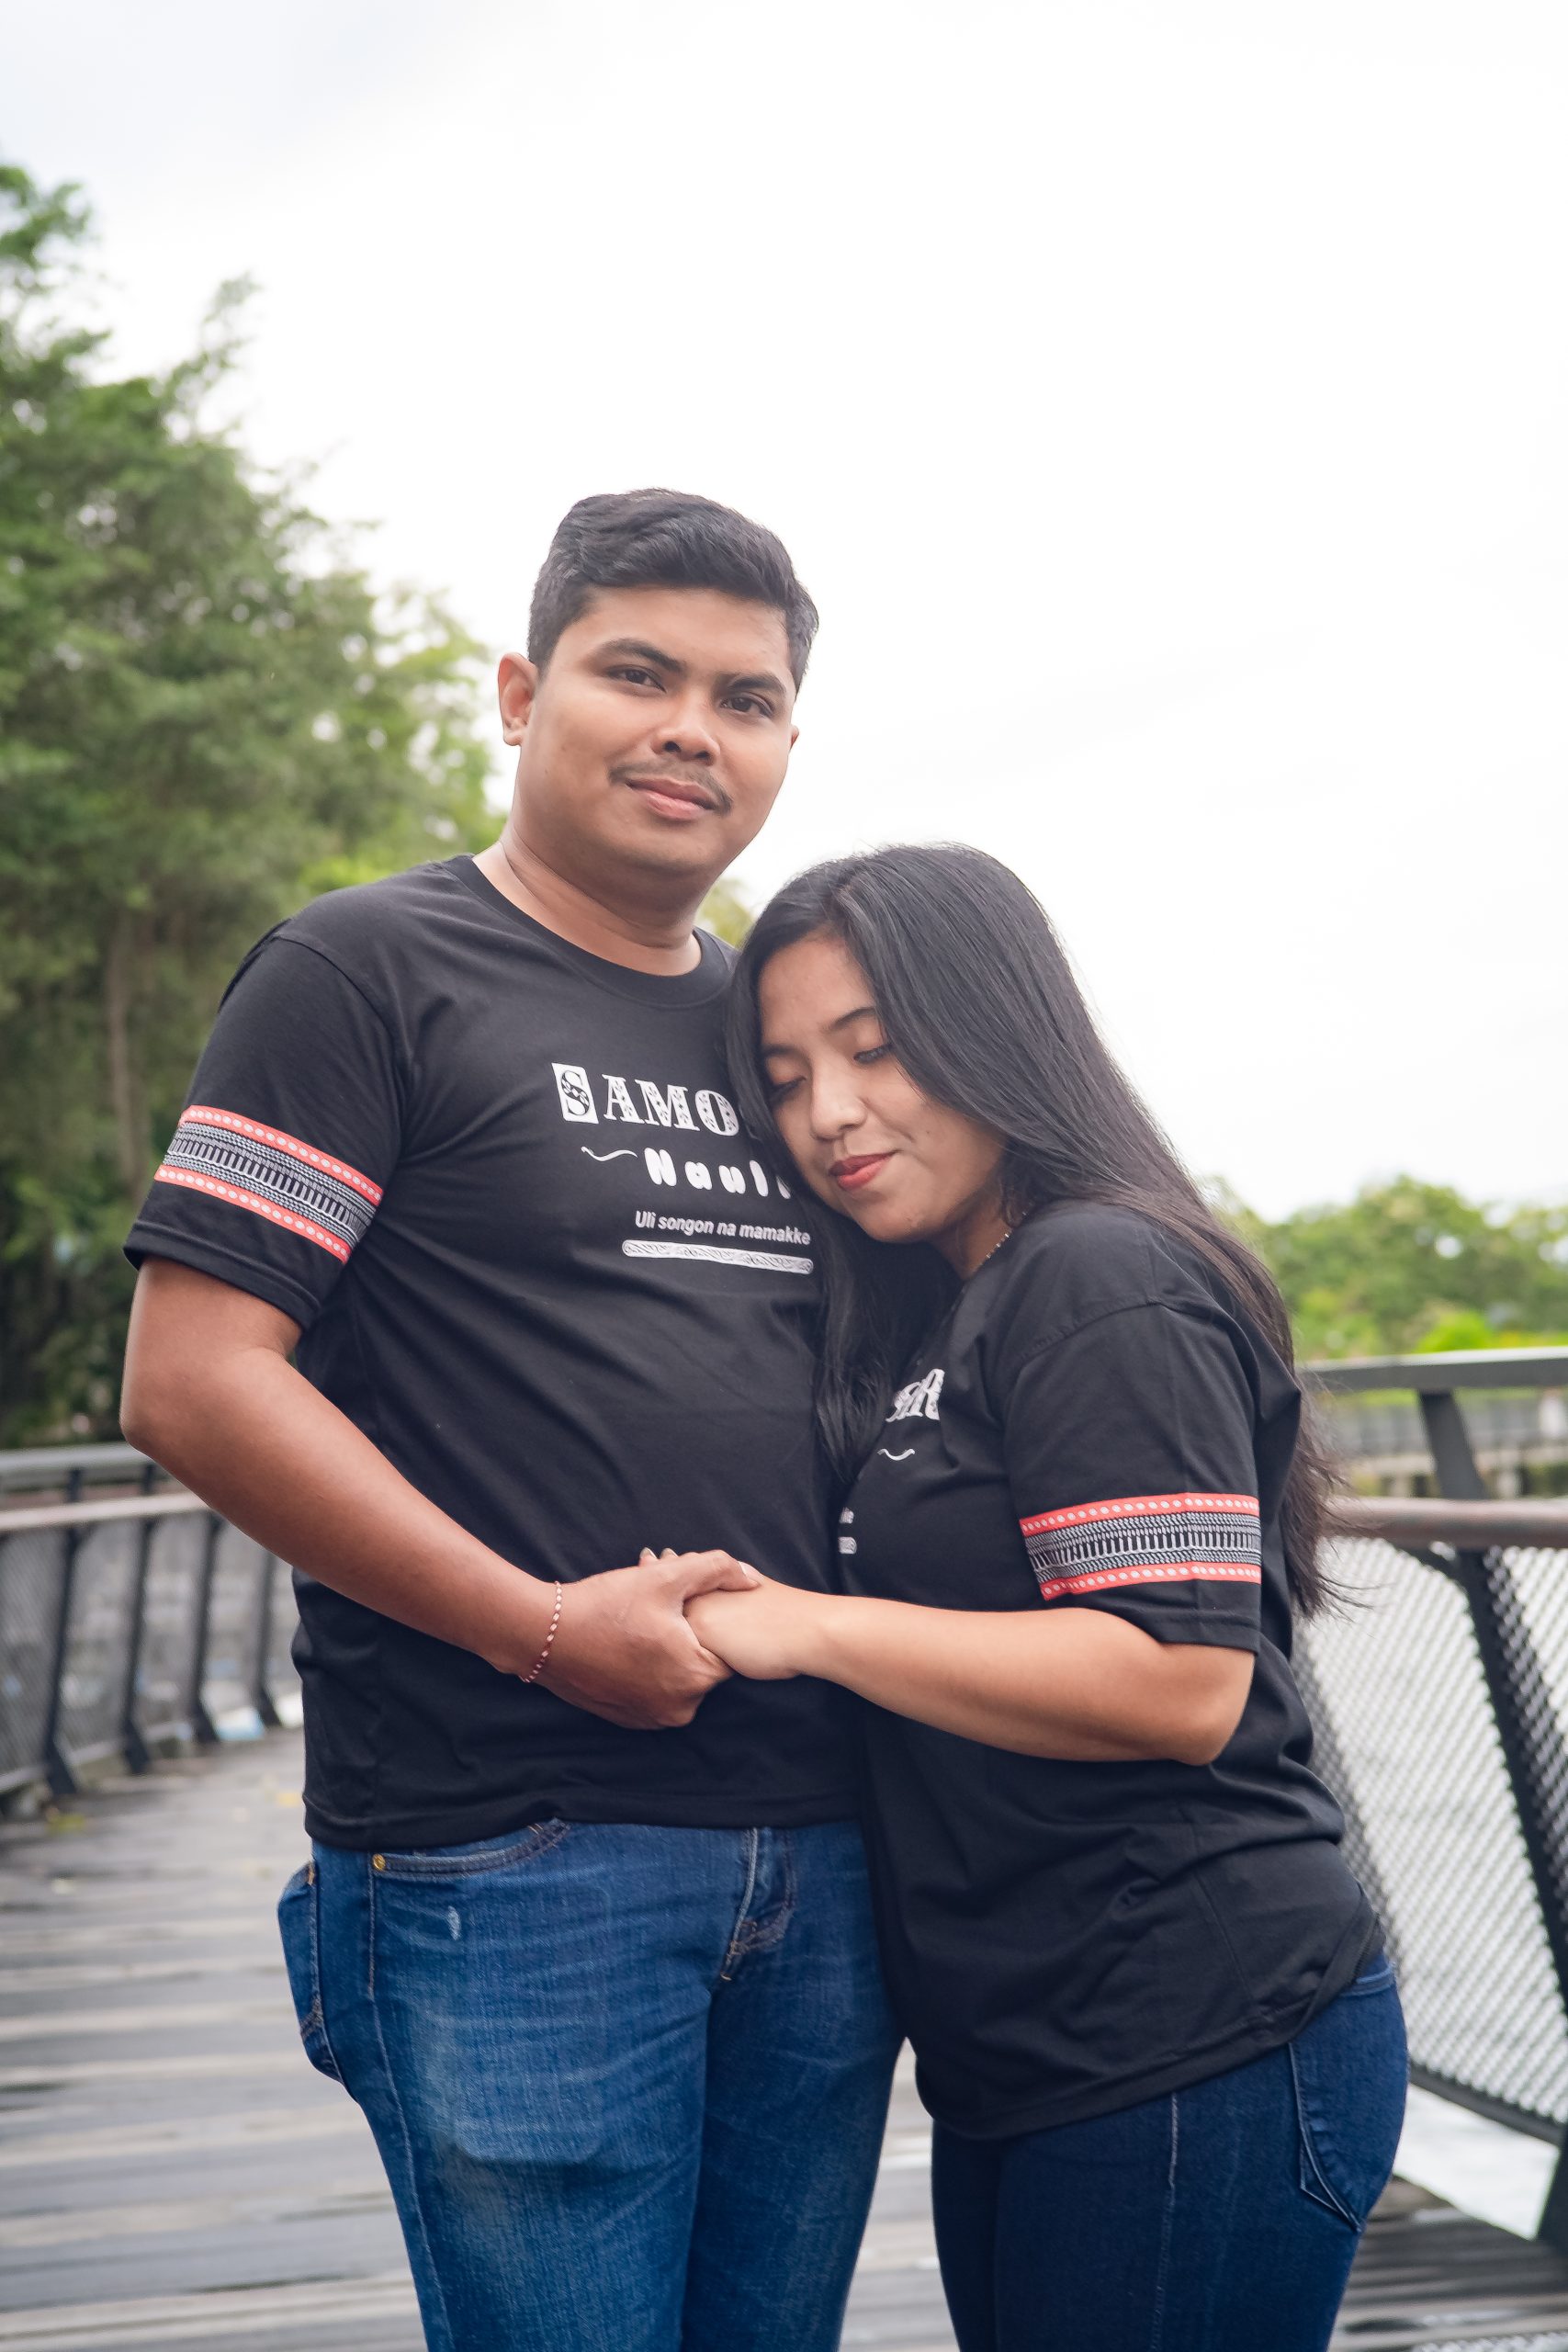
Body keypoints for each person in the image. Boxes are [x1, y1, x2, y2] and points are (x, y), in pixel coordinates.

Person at [118, 491, 899, 2352]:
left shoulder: (783, 1036)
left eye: (745, 699)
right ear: (520, 693)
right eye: (638, 674)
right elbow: (195, 1377)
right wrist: (545, 1629)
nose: (691, 731)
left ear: (787, 746)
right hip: (511, 1843)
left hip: (825, 1839)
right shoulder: (363, 971)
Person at [687, 842, 1408, 2352]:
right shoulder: (950, 1304)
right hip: (1035, 2055)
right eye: (790, 1077)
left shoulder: (1100, 1274)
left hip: (1194, 2034)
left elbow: (1177, 1681)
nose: (831, 1114)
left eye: (877, 1050)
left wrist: (804, 1626)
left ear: (993, 1024)